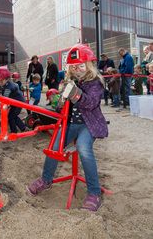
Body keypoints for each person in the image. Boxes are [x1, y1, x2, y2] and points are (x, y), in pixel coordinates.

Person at [27, 44, 108, 212]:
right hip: (70, 124)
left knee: (83, 148)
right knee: (53, 147)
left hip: (88, 124)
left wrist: (75, 94)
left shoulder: (95, 82)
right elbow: (62, 108)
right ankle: (46, 179)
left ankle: (94, 193)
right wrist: (60, 100)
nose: (77, 69)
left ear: (89, 64)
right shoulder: (71, 81)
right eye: (73, 66)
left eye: (80, 65)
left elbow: (91, 103)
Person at [0, 68, 28, 133]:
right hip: (13, 102)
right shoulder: (3, 85)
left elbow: (5, 99)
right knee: (11, 116)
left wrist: (0, 106)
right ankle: (21, 128)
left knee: (12, 116)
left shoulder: (9, 87)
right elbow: (2, 95)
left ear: (6, 79)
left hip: (18, 102)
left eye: (0, 81)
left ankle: (16, 130)